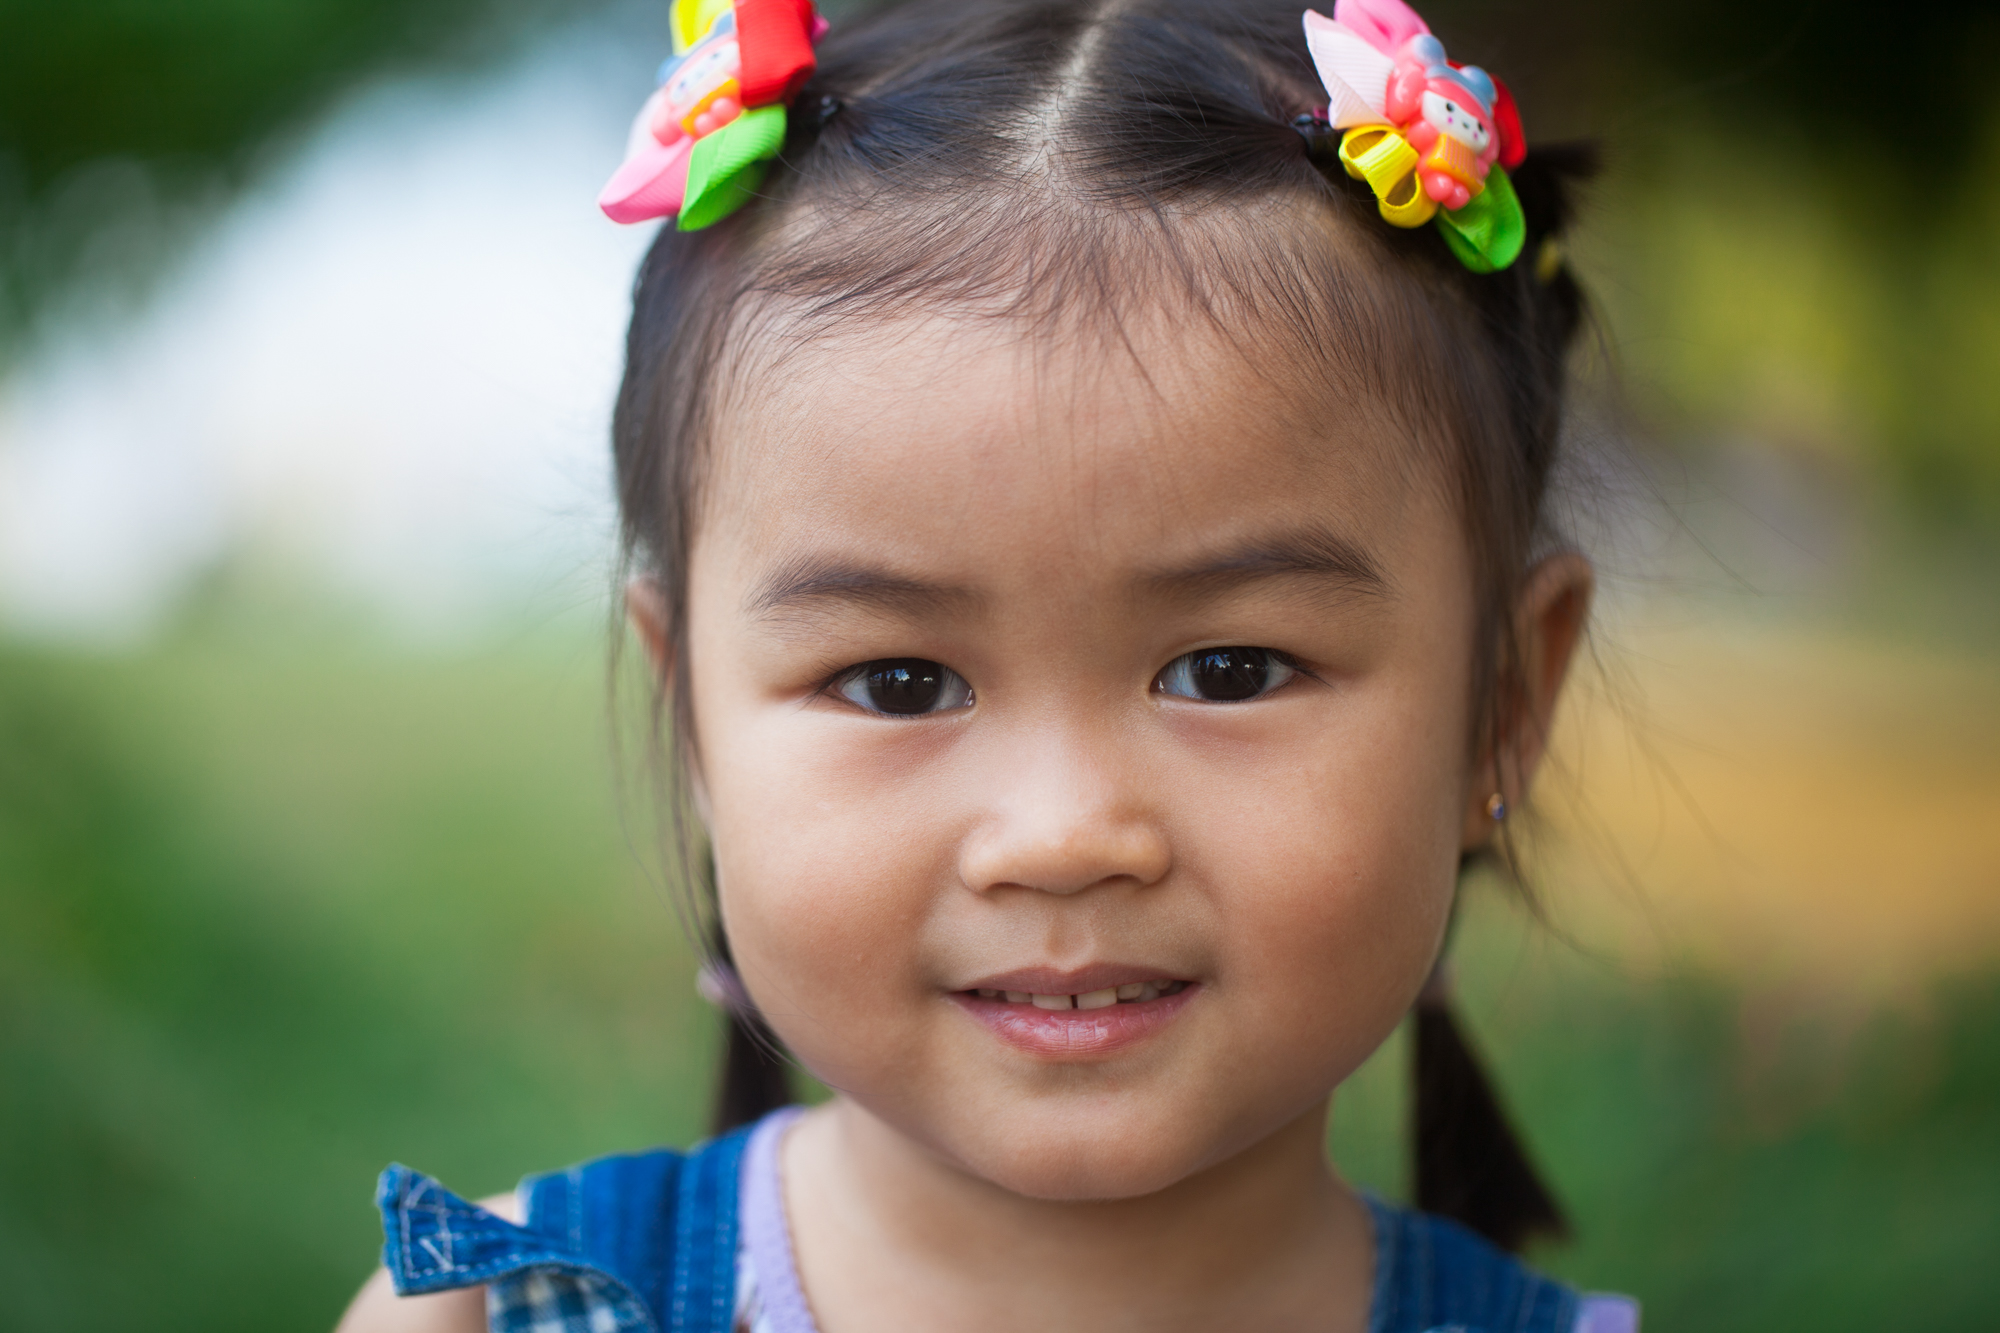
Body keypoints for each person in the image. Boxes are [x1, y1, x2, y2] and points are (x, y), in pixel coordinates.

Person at [338, 0, 1639, 1327]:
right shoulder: (493, 1314)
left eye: (1231, 668)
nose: (1063, 835)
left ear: (1503, 701)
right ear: (696, 724)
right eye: (900, 682)